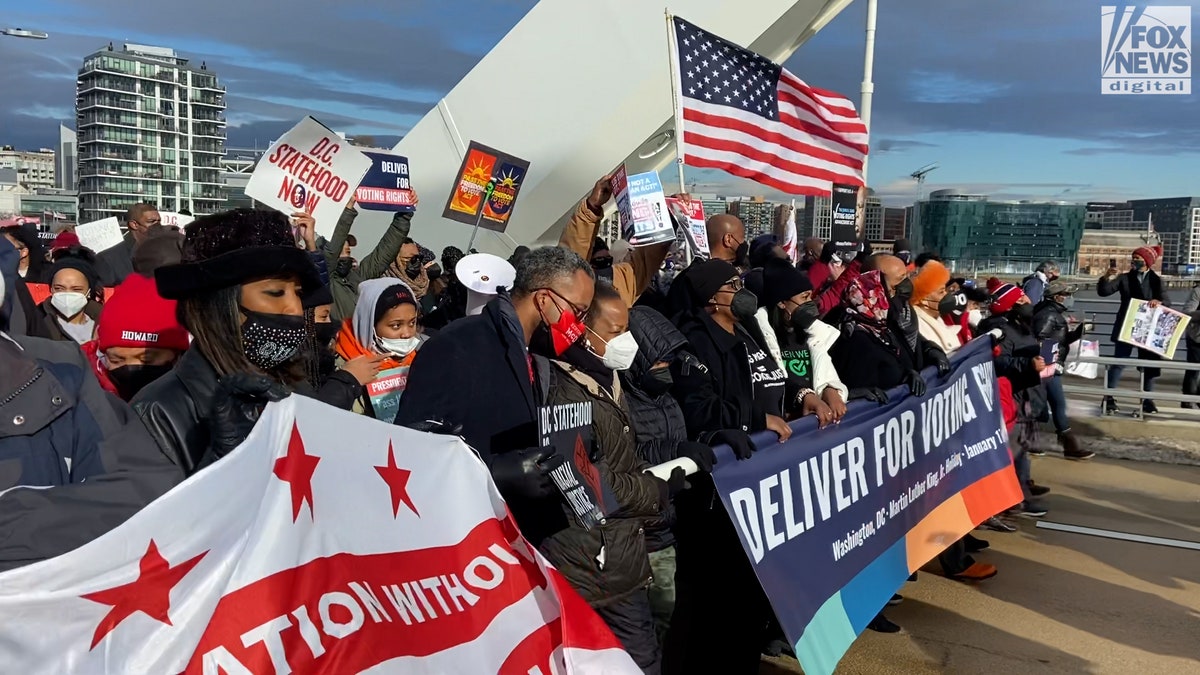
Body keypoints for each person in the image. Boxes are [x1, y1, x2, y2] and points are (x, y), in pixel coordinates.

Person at [0, 237, 183, 571]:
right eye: (118, 358)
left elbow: (145, 486)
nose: (133, 366)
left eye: (150, 357)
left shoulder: (62, 376)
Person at [394, 246, 596, 547]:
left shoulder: (542, 355)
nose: (579, 325)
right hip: (475, 541)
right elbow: (411, 454)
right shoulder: (454, 346)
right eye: (577, 311)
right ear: (543, 299)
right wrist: (495, 471)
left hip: (531, 538)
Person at [538, 282, 690, 675]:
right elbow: (585, 483)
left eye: (627, 330)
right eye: (614, 332)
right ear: (581, 330)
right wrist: (653, 489)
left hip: (620, 556)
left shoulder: (608, 377)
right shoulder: (565, 390)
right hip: (591, 566)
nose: (626, 342)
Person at [663, 259, 789, 675]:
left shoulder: (746, 332)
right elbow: (698, 408)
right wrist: (753, 417)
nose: (741, 289)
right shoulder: (693, 340)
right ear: (712, 298)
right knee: (712, 598)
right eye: (732, 284)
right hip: (713, 494)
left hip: (751, 484)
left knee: (747, 594)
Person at [133, 208, 324, 475]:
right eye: (275, 292)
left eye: (299, 293)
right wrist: (218, 464)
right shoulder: (157, 411)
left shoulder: (296, 387)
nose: (294, 308)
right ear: (219, 305)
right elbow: (156, 514)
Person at [621, 306, 717, 644]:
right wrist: (675, 454)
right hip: (644, 537)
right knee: (651, 626)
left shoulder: (667, 398)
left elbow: (680, 441)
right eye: (658, 361)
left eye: (668, 360)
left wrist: (701, 445)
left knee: (667, 621)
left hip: (671, 526)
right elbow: (623, 460)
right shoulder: (620, 402)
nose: (666, 368)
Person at [979, 280, 1051, 517]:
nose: (1028, 301)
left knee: (1021, 444)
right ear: (1011, 305)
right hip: (1011, 394)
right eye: (1021, 299)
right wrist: (1026, 364)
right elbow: (994, 360)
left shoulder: (1019, 325)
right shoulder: (999, 330)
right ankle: (1015, 498)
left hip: (1024, 391)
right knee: (1013, 447)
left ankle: (1021, 489)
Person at [757, 258, 853, 426]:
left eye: (811, 296)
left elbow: (824, 374)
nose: (810, 303)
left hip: (813, 428)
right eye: (804, 297)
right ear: (781, 302)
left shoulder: (814, 334)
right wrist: (803, 396)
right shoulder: (760, 338)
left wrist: (831, 389)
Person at [559, 175, 672, 308]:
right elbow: (571, 258)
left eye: (608, 261)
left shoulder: (618, 283)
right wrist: (591, 208)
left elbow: (644, 261)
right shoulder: (569, 289)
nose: (605, 268)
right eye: (599, 262)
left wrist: (667, 217)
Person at [82, 273, 189, 401]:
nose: (129, 369)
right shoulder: (79, 388)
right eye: (116, 360)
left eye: (146, 360)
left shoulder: (205, 398)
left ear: (178, 355)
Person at [332, 278, 425, 421]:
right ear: (370, 326)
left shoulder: (422, 359)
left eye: (412, 323)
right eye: (396, 325)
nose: (406, 333)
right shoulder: (342, 366)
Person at [1098, 246, 1168, 415]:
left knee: (1148, 365)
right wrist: (1107, 276)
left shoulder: (1156, 280)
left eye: (1138, 257)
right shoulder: (1124, 278)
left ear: (1147, 261)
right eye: (1133, 257)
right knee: (1119, 362)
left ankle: (1147, 400)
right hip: (1126, 325)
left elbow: (1167, 301)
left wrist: (1158, 301)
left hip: (1147, 328)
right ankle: (1109, 397)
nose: (1134, 260)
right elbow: (1104, 292)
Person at [323, 198, 415, 323]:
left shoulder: (358, 276)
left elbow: (383, 253)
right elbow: (329, 255)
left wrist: (404, 215)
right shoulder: (325, 281)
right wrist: (347, 211)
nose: (346, 256)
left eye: (348, 251)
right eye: (341, 251)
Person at [1032, 281, 1094, 459]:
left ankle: (1066, 444)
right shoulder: (1048, 315)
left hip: (1052, 366)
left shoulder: (1054, 314)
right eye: (1067, 295)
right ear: (1057, 297)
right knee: (1050, 406)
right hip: (1048, 367)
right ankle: (1066, 445)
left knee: (1051, 405)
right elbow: (1039, 338)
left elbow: (1061, 340)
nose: (1069, 299)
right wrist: (1047, 362)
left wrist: (1079, 331)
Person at [664, 213, 750, 317]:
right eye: (742, 237)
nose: (744, 243)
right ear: (728, 239)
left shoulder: (686, 277)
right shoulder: (696, 280)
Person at [37, 256, 103, 344]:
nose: (67, 294)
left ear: (89, 292)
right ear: (51, 289)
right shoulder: (37, 321)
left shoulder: (105, 323)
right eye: (59, 288)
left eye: (77, 289)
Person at [97, 203, 162, 286]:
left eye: (159, 221)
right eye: (151, 221)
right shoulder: (107, 259)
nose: (157, 225)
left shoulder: (166, 251)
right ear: (134, 225)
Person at [909, 260, 963, 354]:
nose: (947, 295)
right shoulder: (918, 326)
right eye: (941, 292)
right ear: (923, 299)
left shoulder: (936, 318)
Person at [1182, 283, 1200, 408]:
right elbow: (1187, 313)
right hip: (1197, 337)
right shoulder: (1198, 292)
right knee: (1193, 370)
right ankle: (1187, 400)